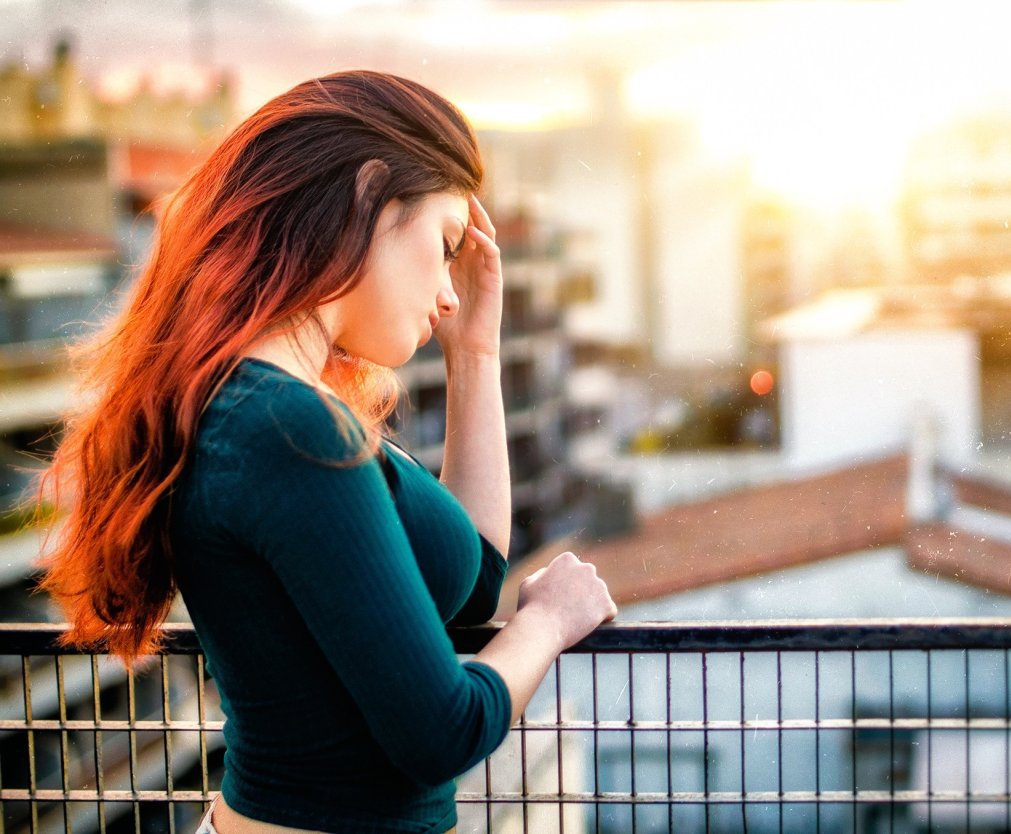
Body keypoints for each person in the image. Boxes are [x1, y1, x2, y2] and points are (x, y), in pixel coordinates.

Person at [34, 71, 617, 834]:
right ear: (369, 196)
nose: (450, 289)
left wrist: (474, 354)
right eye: (444, 246)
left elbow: (470, 584)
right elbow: (441, 733)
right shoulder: (286, 426)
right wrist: (549, 622)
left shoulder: (275, 405)